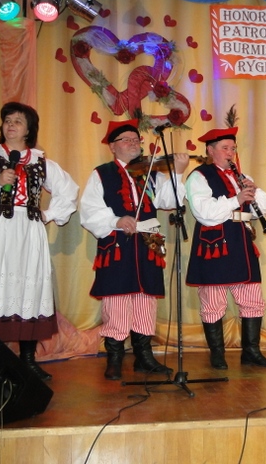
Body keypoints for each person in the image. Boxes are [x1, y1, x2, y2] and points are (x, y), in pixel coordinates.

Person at [79, 119, 189, 380]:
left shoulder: (149, 172)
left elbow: (169, 200)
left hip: (148, 242)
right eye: (125, 140)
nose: (133, 143)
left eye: (135, 139)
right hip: (118, 242)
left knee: (145, 299)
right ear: (112, 147)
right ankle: (115, 356)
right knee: (117, 298)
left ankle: (144, 356)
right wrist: (116, 220)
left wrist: (178, 173)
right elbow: (89, 210)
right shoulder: (102, 173)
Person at [0, 101, 79, 380]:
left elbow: (68, 190)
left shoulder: (40, 161)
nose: (11, 125)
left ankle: (28, 360)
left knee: (28, 291)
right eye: (7, 120)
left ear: (28, 129)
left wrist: (48, 214)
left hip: (29, 231)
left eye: (18, 121)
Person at [185, 126, 266, 370]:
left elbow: (261, 210)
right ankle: (217, 354)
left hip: (242, 243)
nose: (230, 153)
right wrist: (237, 199)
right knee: (213, 303)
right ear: (210, 150)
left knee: (252, 300)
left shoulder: (241, 176)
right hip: (215, 244)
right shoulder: (199, 176)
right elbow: (204, 213)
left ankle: (251, 352)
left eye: (233, 148)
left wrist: (253, 191)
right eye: (225, 148)